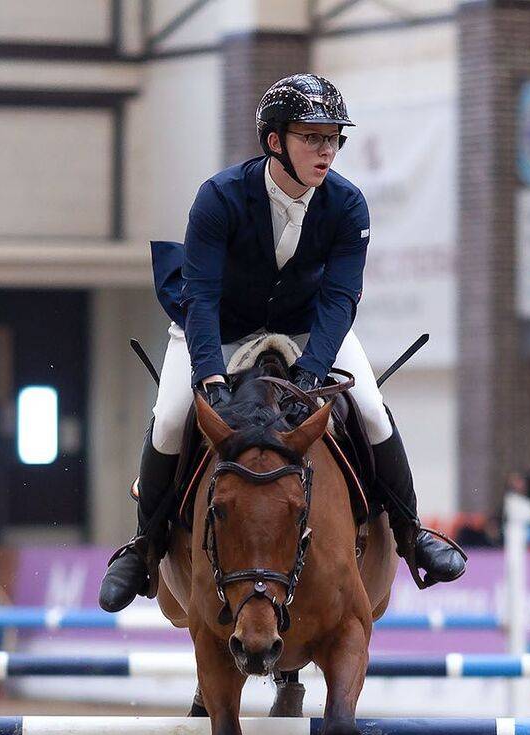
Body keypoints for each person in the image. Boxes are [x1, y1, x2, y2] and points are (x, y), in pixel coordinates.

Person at [98, 73, 466, 612]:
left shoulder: (347, 206)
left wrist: (312, 373)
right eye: (312, 137)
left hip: (305, 324)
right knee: (175, 415)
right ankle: (146, 545)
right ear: (275, 141)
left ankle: (412, 534)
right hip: (217, 325)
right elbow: (200, 296)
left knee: (370, 410)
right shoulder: (219, 197)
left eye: (334, 137)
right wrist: (211, 378)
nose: (327, 150)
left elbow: (341, 299)